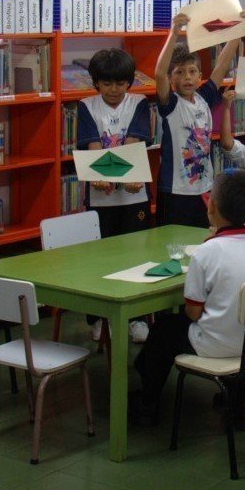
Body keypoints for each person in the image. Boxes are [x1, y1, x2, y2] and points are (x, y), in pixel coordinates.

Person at [131, 171, 245, 430]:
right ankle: (242, 404)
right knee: (231, 324)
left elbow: (192, 313)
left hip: (220, 346)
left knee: (164, 330)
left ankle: (147, 405)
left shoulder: (207, 252)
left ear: (210, 206)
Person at [76, 48, 154, 343]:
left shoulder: (139, 103)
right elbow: (93, 147)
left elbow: (133, 144)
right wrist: (110, 178)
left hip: (135, 197)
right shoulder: (86, 106)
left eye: (120, 83)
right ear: (96, 83)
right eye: (106, 83)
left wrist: (117, 178)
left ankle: (134, 318)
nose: (113, 90)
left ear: (129, 82)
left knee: (136, 256)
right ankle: (101, 319)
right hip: (100, 200)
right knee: (101, 258)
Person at [154, 12, 245, 229]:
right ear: (171, 78)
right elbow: (159, 74)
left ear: (199, 76)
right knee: (171, 245)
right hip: (175, 192)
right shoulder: (171, 104)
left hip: (204, 189)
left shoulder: (204, 97)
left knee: (201, 240)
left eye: (192, 71)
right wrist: (173, 33)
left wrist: (238, 31)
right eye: (179, 72)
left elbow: (222, 66)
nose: (187, 77)